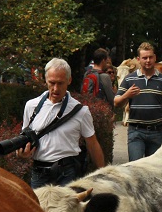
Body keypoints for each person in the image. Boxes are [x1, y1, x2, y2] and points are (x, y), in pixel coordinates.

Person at [17, 58, 105, 188]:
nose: (55, 88)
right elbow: (24, 138)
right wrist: (22, 153)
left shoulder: (81, 111)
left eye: (60, 83)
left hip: (67, 173)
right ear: (45, 79)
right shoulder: (31, 106)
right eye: (51, 83)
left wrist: (103, 174)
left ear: (69, 81)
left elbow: (92, 143)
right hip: (39, 173)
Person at [115, 42, 162, 161]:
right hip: (136, 131)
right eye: (144, 58)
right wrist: (126, 95)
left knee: (154, 171)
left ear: (155, 57)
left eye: (150, 57)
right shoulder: (129, 79)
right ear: (139, 60)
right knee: (136, 169)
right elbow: (116, 102)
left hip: (156, 132)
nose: (148, 60)